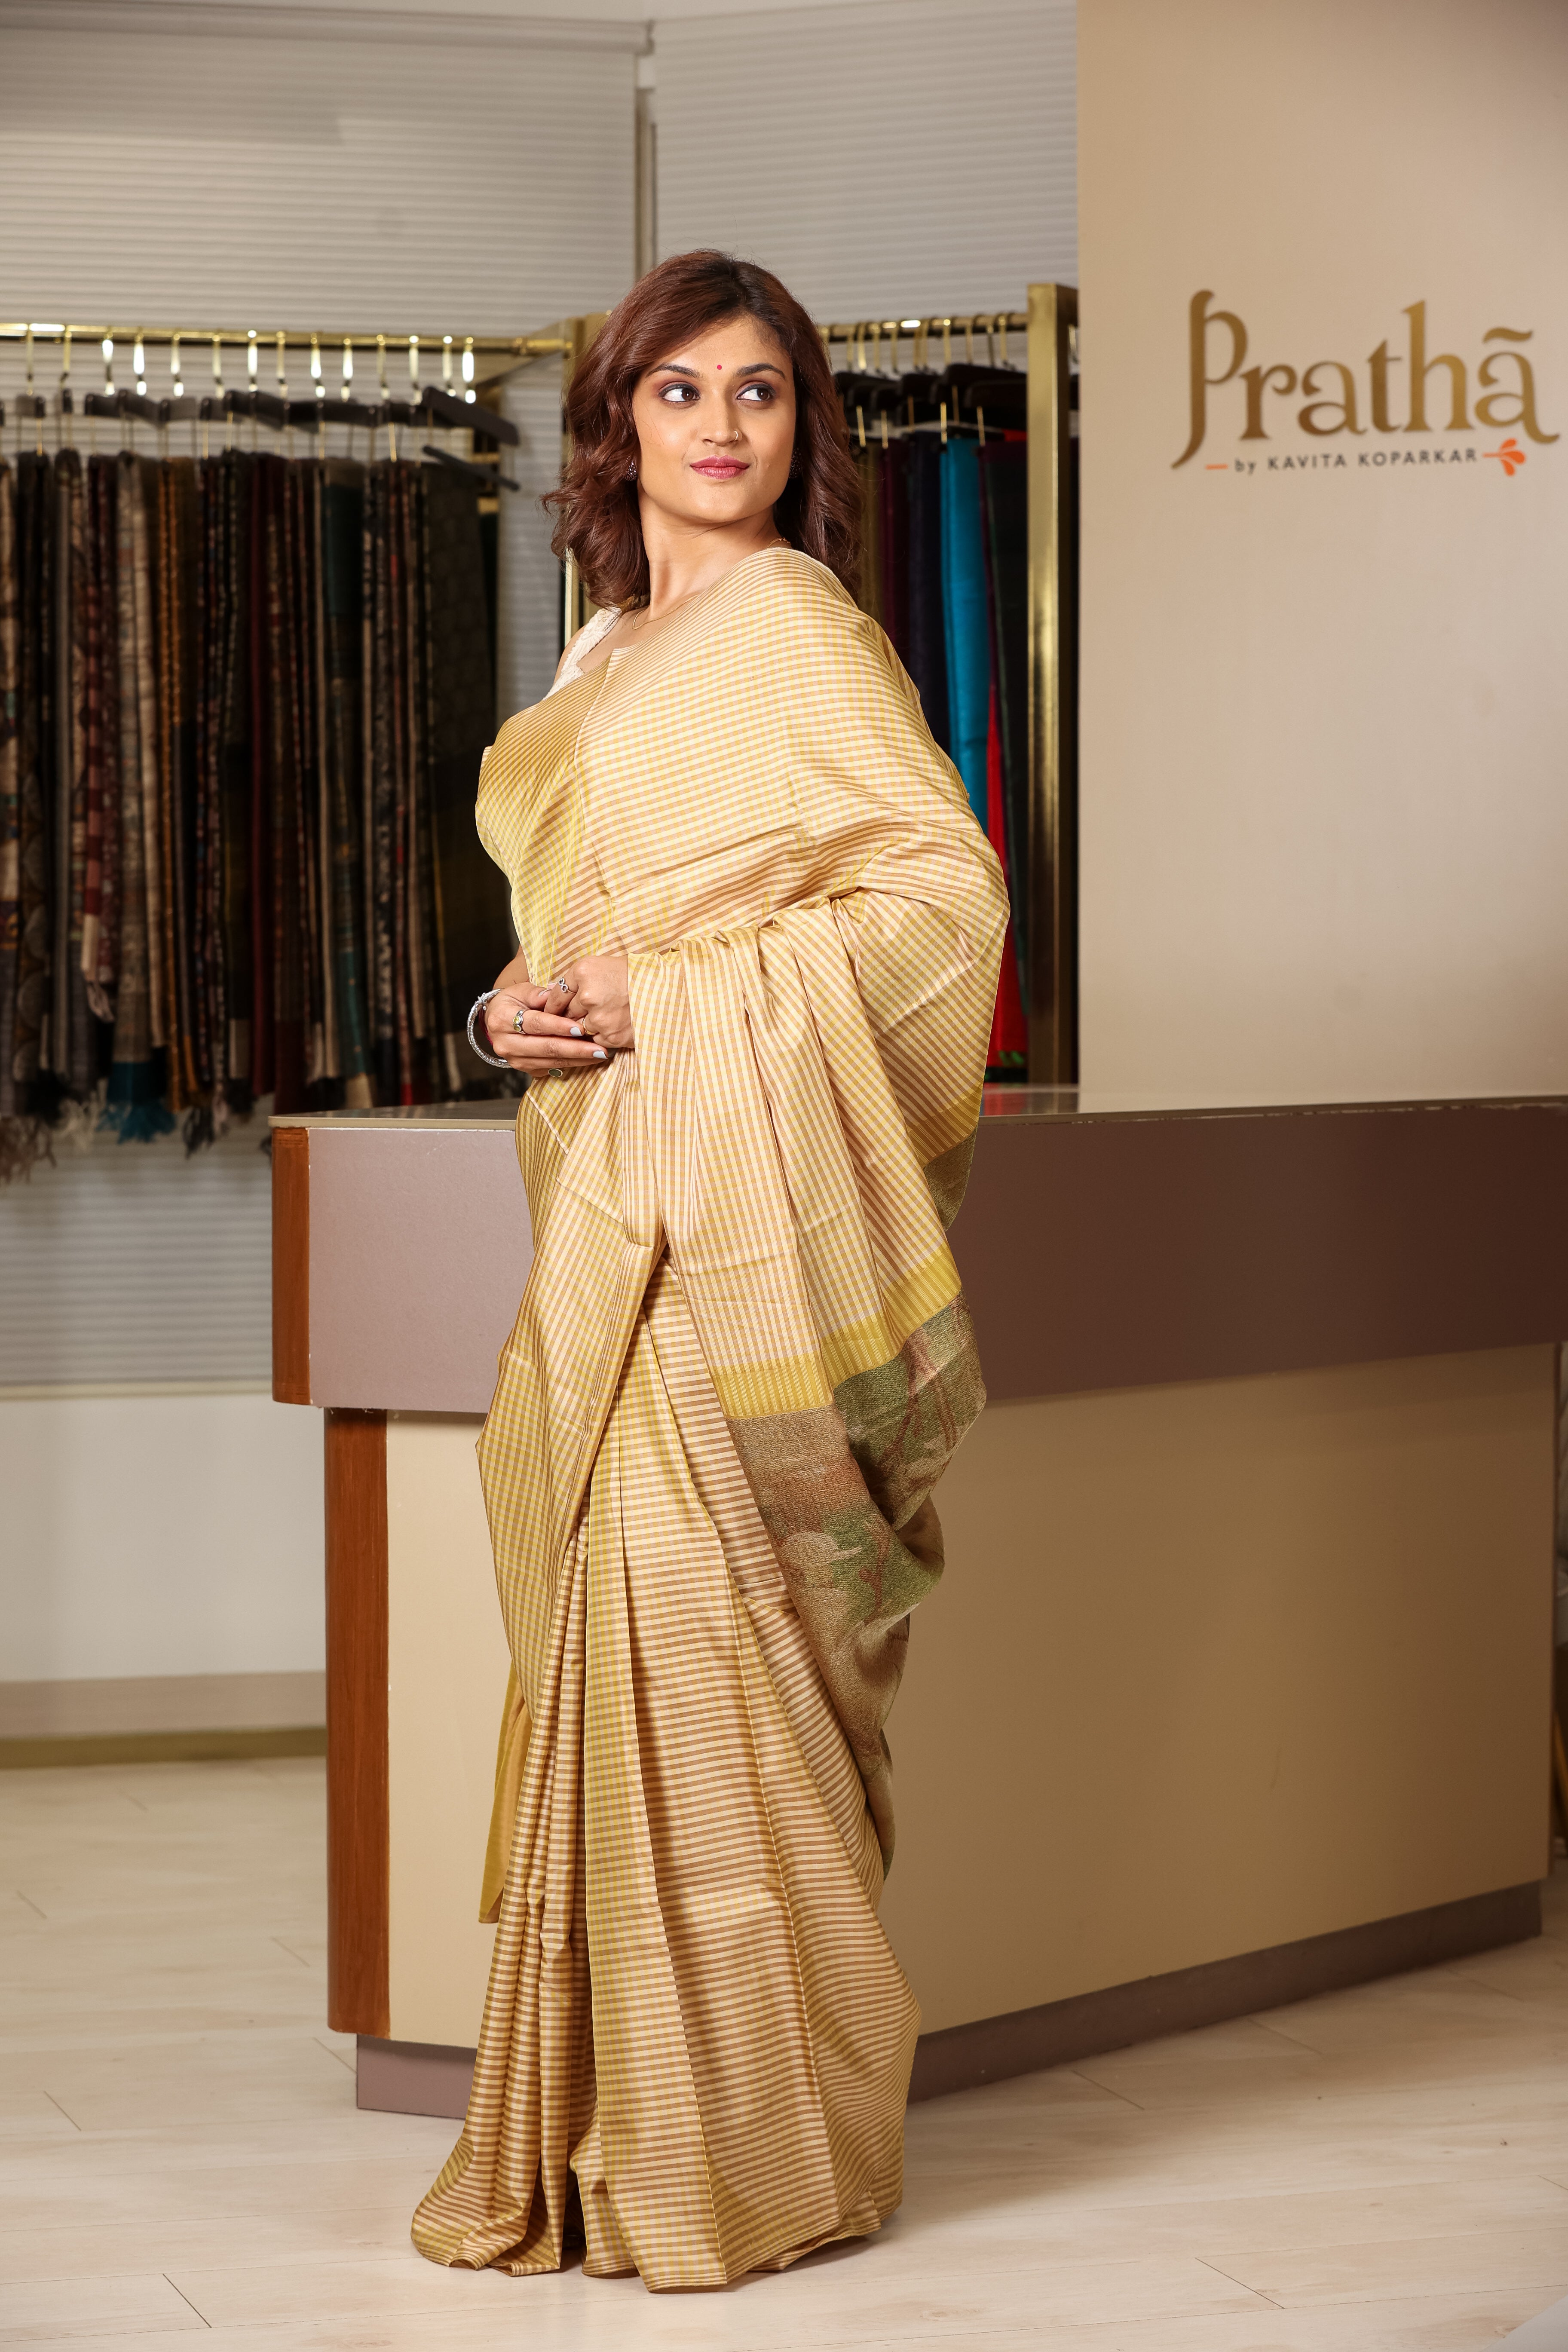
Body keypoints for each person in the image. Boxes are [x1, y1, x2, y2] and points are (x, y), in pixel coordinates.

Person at [412, 249, 1007, 2292]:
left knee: (721, 1646)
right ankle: (621, 2138)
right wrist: (507, 1018)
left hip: (735, 1234)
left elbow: (939, 901)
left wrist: (682, 997)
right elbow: (570, 937)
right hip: (613, 1208)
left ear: (801, 420)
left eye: (761, 389)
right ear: (618, 423)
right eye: (682, 390)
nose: (725, 426)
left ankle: (752, 2154)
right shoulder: (602, 655)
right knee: (622, 1646)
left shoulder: (802, 631)